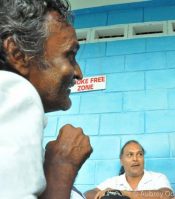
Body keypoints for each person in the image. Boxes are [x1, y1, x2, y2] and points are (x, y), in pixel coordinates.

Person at [0, 0, 92, 198]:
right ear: (18, 54)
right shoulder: (14, 90)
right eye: (69, 55)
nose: (78, 73)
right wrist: (62, 169)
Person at [85, 140, 173, 199]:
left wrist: (125, 194)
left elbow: (167, 194)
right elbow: (88, 193)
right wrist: (106, 195)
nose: (135, 159)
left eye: (140, 154)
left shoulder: (157, 178)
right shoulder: (113, 182)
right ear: (121, 161)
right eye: (130, 155)